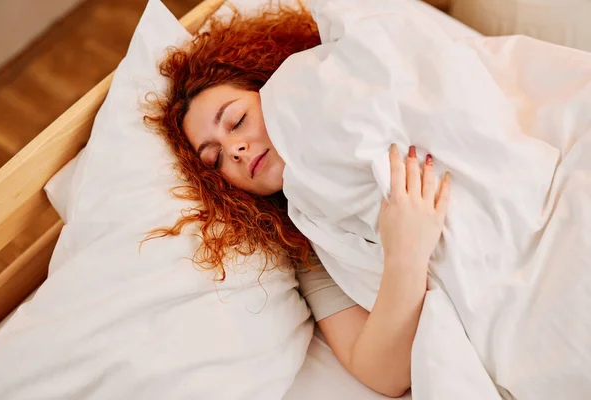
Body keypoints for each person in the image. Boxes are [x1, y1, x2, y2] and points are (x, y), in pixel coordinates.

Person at [145, 4, 450, 398]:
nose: (235, 149)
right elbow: (382, 373)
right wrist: (406, 256)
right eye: (214, 158)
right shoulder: (307, 244)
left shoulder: (357, 96)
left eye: (237, 121)